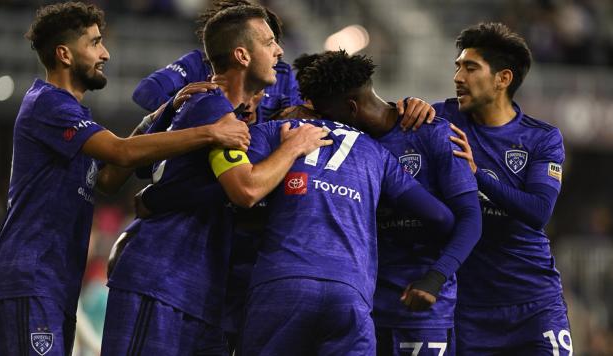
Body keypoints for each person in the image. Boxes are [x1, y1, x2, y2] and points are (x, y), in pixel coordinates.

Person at [0, 2, 249, 356]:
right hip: (33, 278)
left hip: (54, 282)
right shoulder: (49, 104)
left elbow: (109, 178)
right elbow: (122, 153)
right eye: (94, 43)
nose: (105, 53)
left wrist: (161, 113)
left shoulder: (72, 114)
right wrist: (211, 133)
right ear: (64, 54)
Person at [101, 5, 331, 355]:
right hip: (162, 279)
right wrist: (294, 147)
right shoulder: (212, 109)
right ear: (241, 54)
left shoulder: (223, 115)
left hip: (199, 288)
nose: (279, 51)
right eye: (269, 42)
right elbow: (247, 189)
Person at [204, 53, 457, 355]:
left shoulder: (272, 132)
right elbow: (441, 217)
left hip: (282, 285)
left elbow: (214, 188)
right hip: (350, 293)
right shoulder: (376, 152)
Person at [295, 50, 482, 356]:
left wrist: (435, 278)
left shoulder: (433, 133)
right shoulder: (350, 145)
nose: (328, 126)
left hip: (421, 307)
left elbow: (471, 220)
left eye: (330, 116)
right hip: (362, 309)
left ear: (351, 107)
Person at [432, 22, 572, 355]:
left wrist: (476, 174)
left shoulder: (542, 138)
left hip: (534, 302)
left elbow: (538, 211)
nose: (458, 77)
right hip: (468, 308)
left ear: (502, 79)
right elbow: (379, 116)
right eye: (457, 67)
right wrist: (404, 107)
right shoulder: (441, 118)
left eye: (470, 67)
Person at [132, 0, 302, 125]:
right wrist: (185, 113)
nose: (278, 51)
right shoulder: (197, 63)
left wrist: (255, 119)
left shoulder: (282, 74)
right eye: (268, 42)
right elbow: (146, 90)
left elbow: (294, 118)